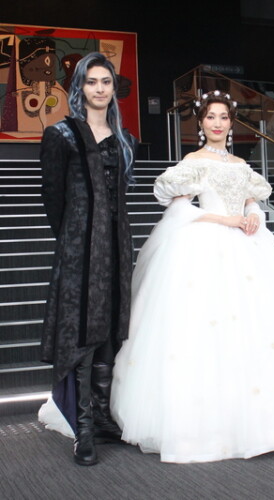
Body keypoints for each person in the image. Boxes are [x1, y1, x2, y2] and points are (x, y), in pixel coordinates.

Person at [110, 90, 274, 463]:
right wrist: (226, 219)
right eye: (211, 117)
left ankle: (268, 419)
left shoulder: (241, 165)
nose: (218, 123)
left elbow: (253, 199)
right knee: (211, 326)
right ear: (201, 122)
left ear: (231, 122)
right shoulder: (193, 162)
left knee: (262, 327)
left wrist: (253, 213)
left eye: (224, 117)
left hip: (249, 244)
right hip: (209, 244)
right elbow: (178, 211)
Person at [37, 52, 137, 466]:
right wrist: (76, 238)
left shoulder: (124, 139)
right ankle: (83, 427)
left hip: (116, 246)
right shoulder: (61, 135)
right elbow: (53, 199)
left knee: (110, 328)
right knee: (82, 332)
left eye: (106, 82)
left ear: (113, 88)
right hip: (79, 248)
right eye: (92, 81)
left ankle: (101, 416)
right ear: (80, 86)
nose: (100, 89)